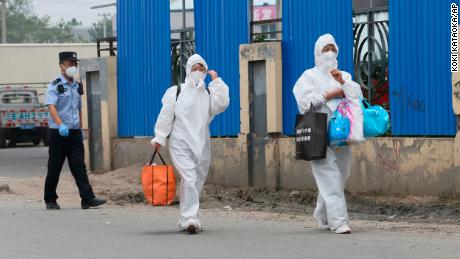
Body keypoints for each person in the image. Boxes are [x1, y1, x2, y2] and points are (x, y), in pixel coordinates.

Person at [151, 54, 230, 234]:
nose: (198, 72)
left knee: (197, 180)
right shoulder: (176, 91)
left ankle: (186, 218)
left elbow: (222, 104)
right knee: (189, 178)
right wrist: (159, 138)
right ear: (188, 70)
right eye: (194, 68)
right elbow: (166, 116)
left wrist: (216, 81)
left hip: (202, 143)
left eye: (201, 69)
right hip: (180, 142)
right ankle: (191, 219)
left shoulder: (209, 93)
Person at [293, 34, 363, 234]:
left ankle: (322, 215)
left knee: (340, 176)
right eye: (326, 49)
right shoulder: (308, 76)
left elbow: (357, 96)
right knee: (330, 177)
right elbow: (304, 104)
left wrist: (343, 83)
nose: (330, 53)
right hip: (318, 133)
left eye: (333, 48)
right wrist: (328, 94)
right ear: (317, 52)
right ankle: (339, 222)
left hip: (341, 134)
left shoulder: (344, 75)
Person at [44, 51, 107, 210]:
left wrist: (80, 128)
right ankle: (50, 199)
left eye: (75, 64)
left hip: (74, 133)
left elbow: (78, 108)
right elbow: (51, 106)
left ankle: (87, 198)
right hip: (59, 132)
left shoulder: (77, 85)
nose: (73, 66)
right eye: (70, 64)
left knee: (79, 166)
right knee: (55, 167)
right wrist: (60, 125)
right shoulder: (55, 84)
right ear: (61, 66)